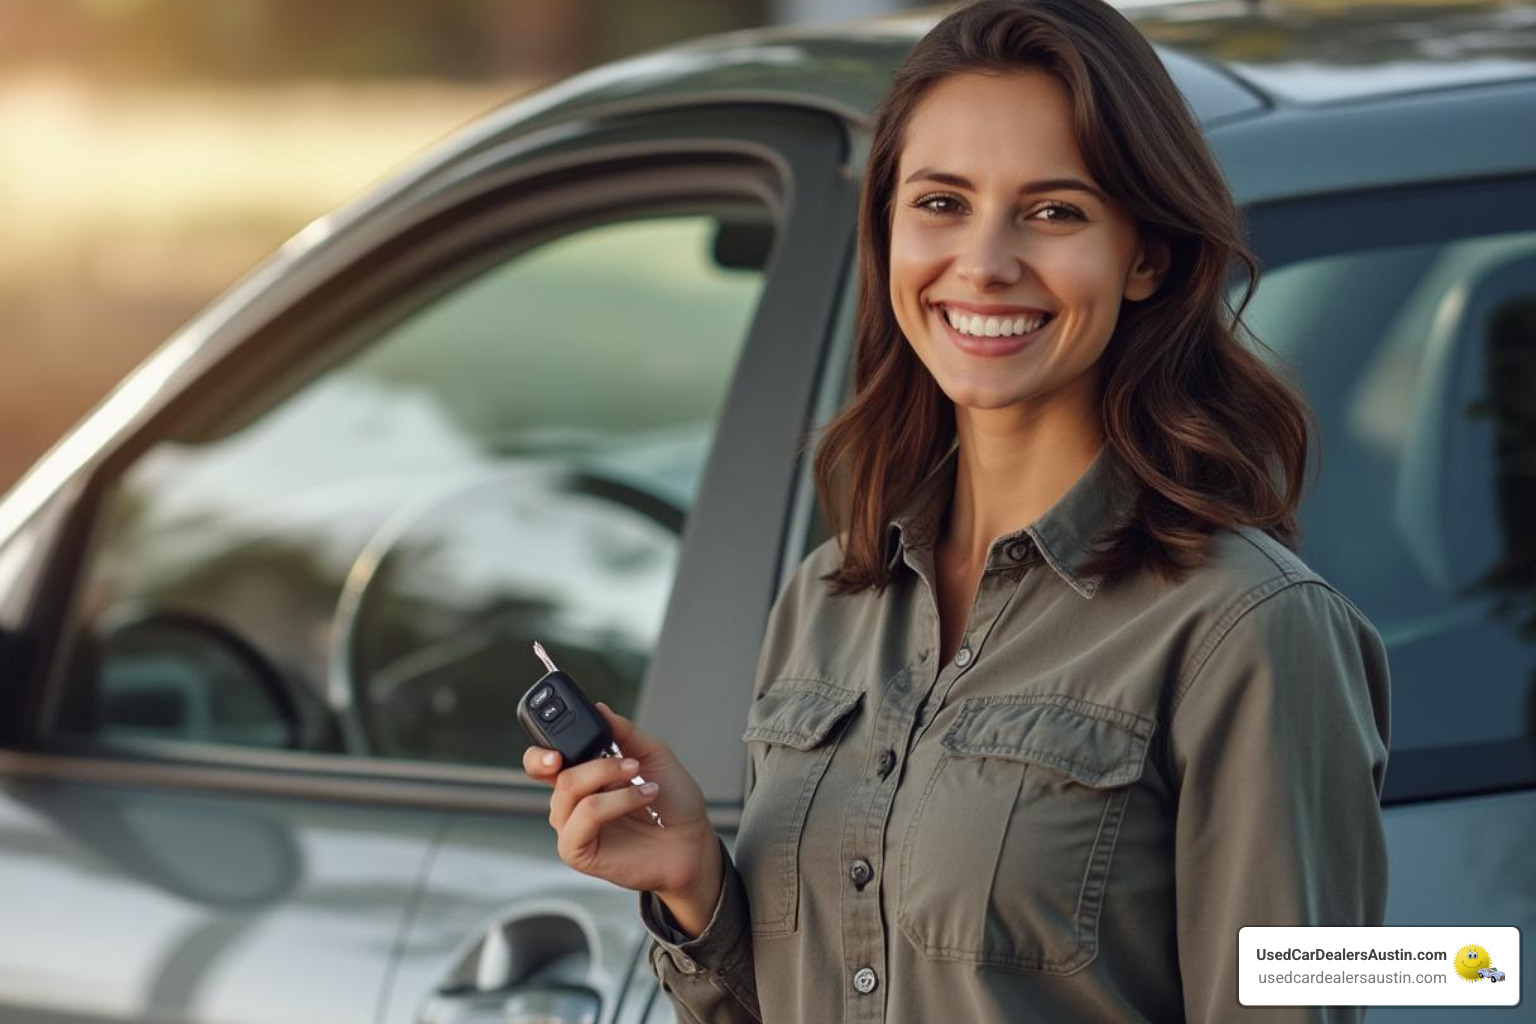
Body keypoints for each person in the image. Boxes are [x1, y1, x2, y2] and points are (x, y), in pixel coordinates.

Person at [522, 0, 1392, 1021]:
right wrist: (696, 889)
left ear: (1146, 254)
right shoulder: (827, 600)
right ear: (888, 225)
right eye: (940, 202)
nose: (984, 262)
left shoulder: (1250, 633)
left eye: (1055, 211)